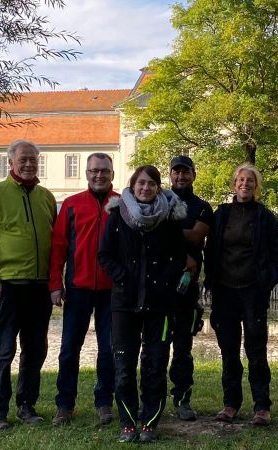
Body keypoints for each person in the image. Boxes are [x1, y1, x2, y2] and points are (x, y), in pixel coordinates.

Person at [0, 139, 57, 431]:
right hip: (9, 286)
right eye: (23, 160)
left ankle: (26, 405)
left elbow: (56, 243)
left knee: (35, 350)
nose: (29, 164)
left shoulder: (46, 197)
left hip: (40, 286)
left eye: (33, 159)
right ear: (11, 163)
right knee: (4, 350)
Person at [97, 165, 188, 443]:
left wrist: (165, 282)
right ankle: (127, 421)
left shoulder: (169, 219)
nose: (145, 188)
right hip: (124, 303)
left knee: (155, 363)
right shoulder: (117, 216)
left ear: (158, 187)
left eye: (151, 184)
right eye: (141, 183)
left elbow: (178, 257)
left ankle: (149, 421)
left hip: (160, 304)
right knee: (123, 366)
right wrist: (122, 277)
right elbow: (105, 254)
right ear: (132, 186)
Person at [204, 163, 278, 426]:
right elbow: (211, 250)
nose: (245, 184)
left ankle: (262, 406)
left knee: (256, 350)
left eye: (250, 180)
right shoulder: (222, 215)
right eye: (240, 179)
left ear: (256, 186)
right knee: (228, 350)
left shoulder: (265, 217)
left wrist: (266, 282)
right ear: (233, 184)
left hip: (253, 291)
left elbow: (277, 253)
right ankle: (231, 404)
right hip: (225, 291)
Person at [49, 153, 119, 427]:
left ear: (112, 173)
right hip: (78, 288)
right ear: (86, 174)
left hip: (111, 290)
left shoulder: (122, 204)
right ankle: (64, 405)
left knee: (109, 350)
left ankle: (104, 403)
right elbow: (57, 249)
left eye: (104, 170)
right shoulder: (71, 204)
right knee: (68, 349)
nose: (98, 175)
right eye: (93, 171)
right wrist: (55, 284)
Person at [167, 155, 213, 421]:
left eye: (185, 173)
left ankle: (182, 399)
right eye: (176, 173)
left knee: (183, 348)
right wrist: (179, 251)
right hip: (160, 287)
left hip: (187, 289)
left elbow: (197, 235)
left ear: (194, 175)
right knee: (155, 346)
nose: (180, 177)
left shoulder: (202, 207)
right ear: (170, 175)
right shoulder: (159, 200)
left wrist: (165, 231)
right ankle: (153, 398)